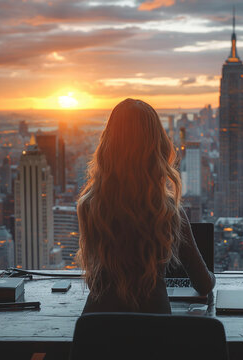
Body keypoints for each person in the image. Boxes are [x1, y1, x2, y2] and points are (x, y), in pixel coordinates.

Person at [76, 98, 215, 314]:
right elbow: (204, 284)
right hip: (154, 332)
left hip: (98, 330)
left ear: (108, 145)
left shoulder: (89, 206)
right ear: (157, 146)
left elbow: (94, 276)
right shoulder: (167, 212)